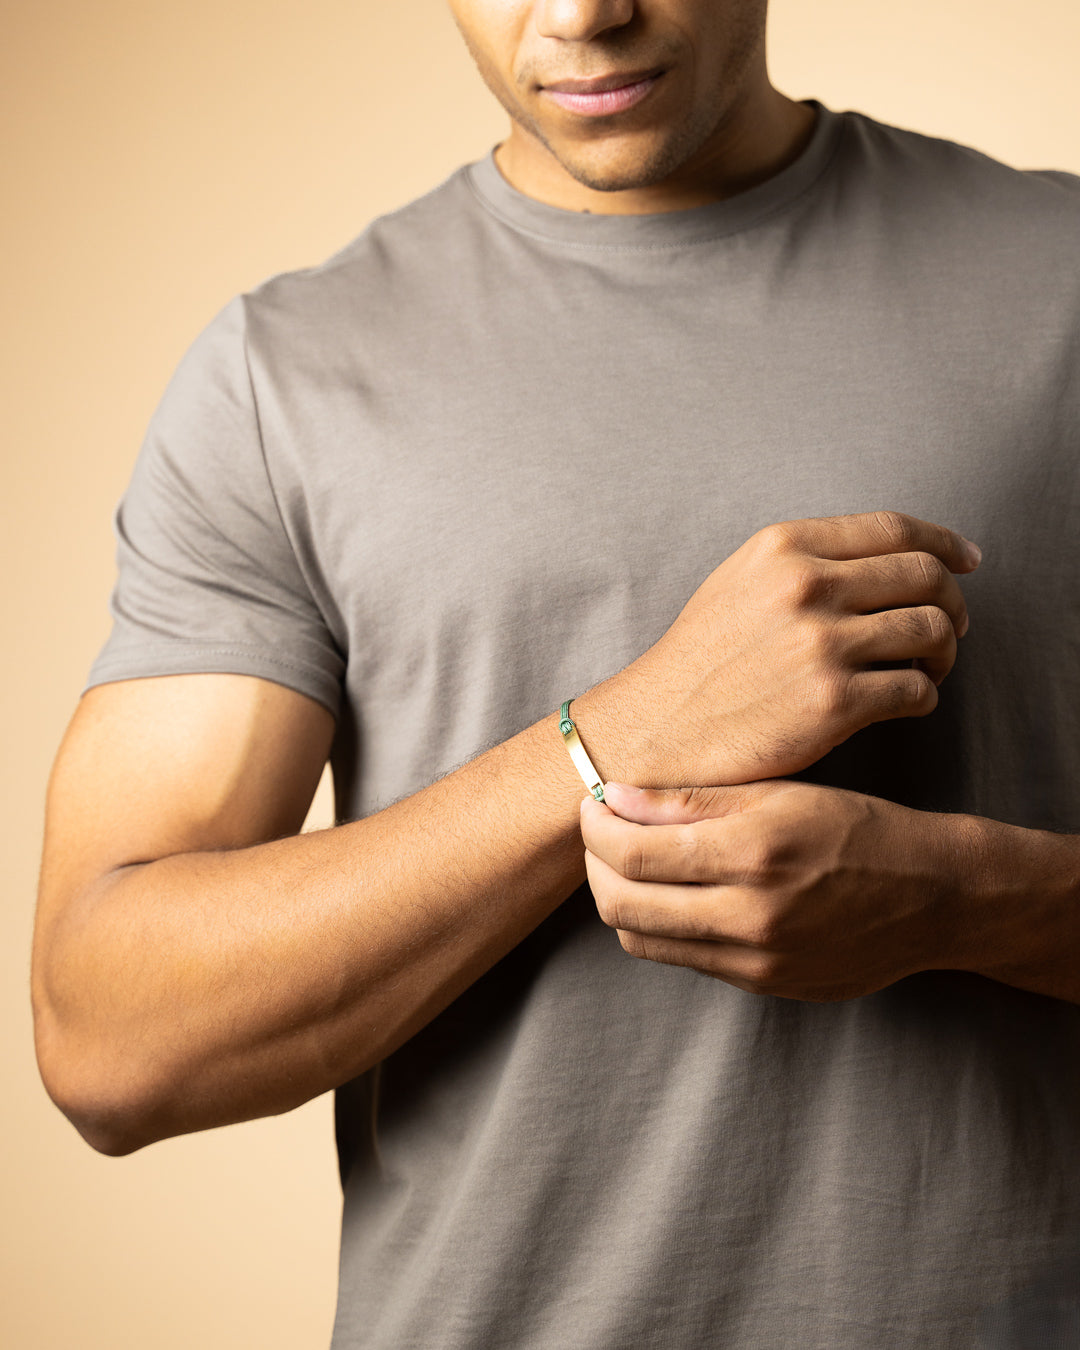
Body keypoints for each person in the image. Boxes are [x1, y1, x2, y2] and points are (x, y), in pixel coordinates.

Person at [32, 1, 1080, 1346]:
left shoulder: (1058, 285)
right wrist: (621, 733)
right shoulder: (280, 384)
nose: (587, 12)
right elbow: (109, 1041)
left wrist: (962, 904)